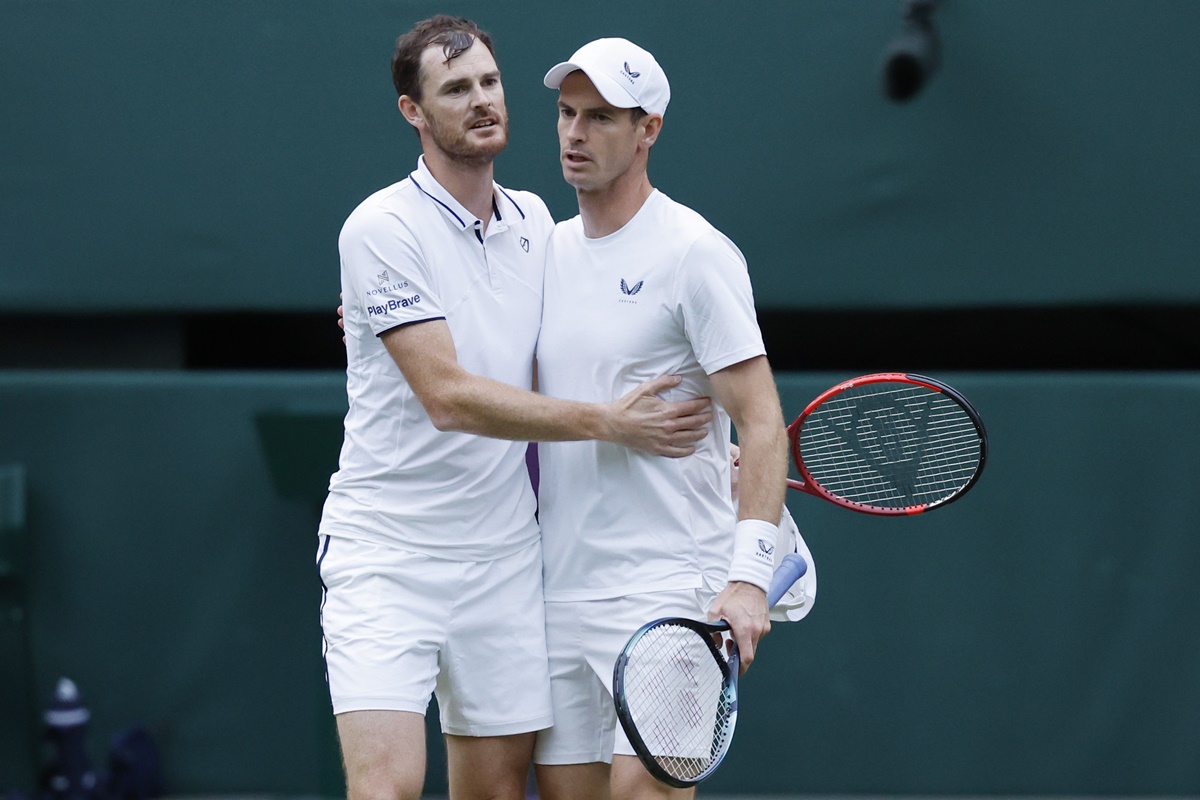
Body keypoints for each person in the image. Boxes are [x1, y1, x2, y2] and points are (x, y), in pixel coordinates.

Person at [317, 17, 713, 800]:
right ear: (414, 113)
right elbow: (449, 397)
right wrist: (611, 422)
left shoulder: (538, 224)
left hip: (502, 560)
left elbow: (598, 335)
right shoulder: (381, 227)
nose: (481, 101)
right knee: (386, 789)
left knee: (496, 792)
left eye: (490, 84)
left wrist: (709, 450)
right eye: (455, 90)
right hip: (385, 555)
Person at [529, 39, 791, 800]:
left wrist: (747, 581)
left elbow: (761, 420)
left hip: (669, 591)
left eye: (601, 118)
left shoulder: (695, 254)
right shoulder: (542, 251)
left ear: (650, 131)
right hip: (557, 593)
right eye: (566, 114)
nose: (575, 135)